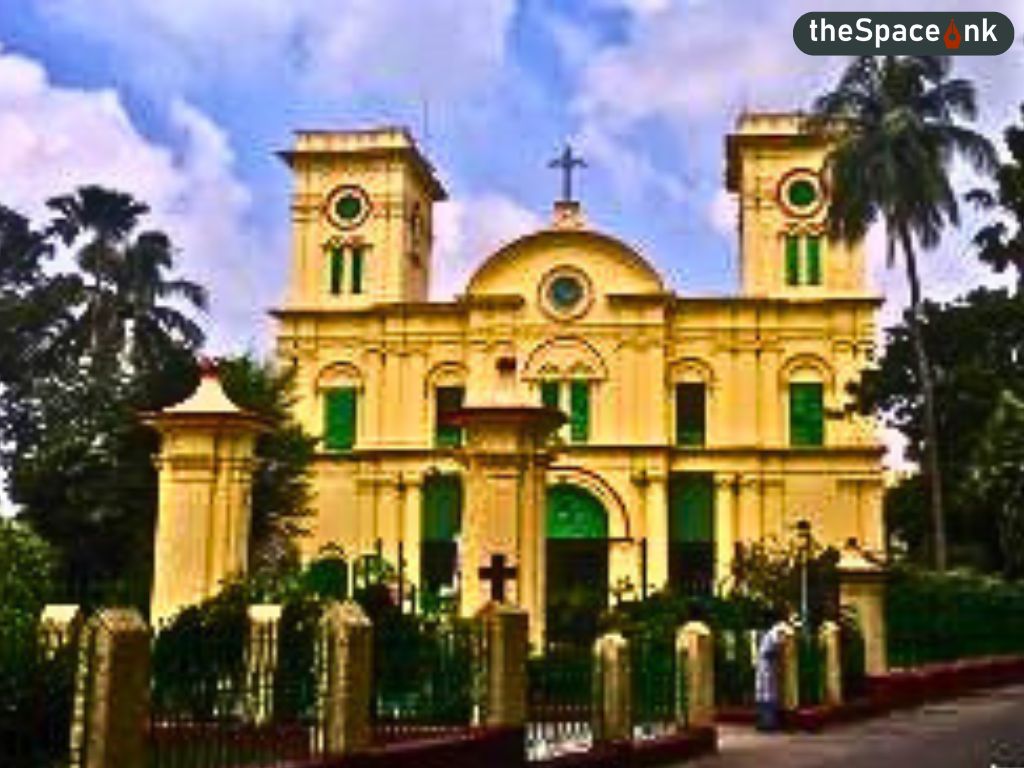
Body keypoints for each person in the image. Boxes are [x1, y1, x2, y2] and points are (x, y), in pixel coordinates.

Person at [755, 611, 790, 732]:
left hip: (768, 667)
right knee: (767, 694)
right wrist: (779, 653)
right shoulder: (775, 631)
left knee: (767, 694)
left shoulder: (773, 631)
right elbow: (775, 647)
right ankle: (767, 723)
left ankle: (767, 722)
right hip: (767, 666)